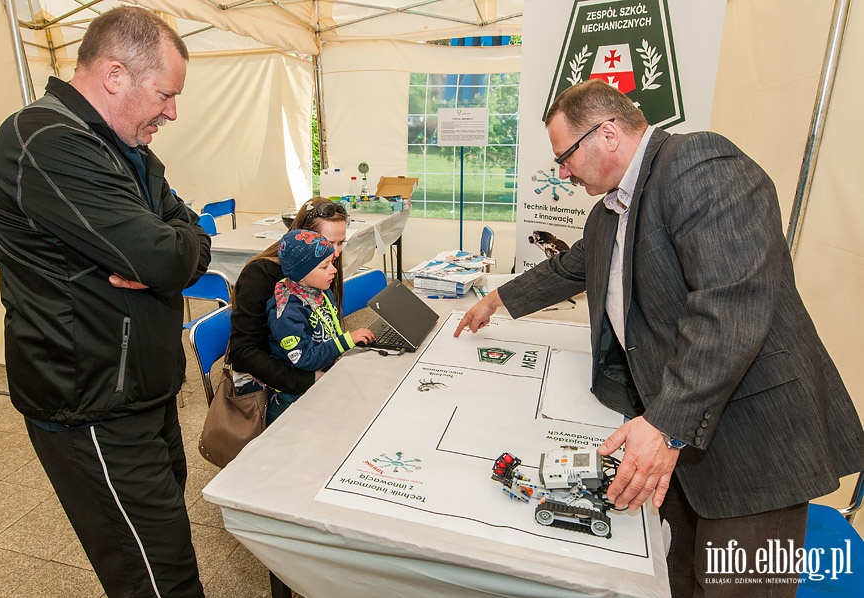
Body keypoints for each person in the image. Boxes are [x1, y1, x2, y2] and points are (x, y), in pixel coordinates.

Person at [455, 79, 864, 596]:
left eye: (565, 157)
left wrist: (667, 425)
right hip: (681, 431)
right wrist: (495, 301)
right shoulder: (610, 212)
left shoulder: (699, 164)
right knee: (677, 576)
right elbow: (570, 268)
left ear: (606, 135)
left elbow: (730, 304)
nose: (562, 172)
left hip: (751, 439)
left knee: (739, 588)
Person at [0, 7, 209, 597]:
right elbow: (164, 259)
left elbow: (190, 235)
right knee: (160, 576)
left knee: (164, 544)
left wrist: (170, 251)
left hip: (141, 390)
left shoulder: (122, 146)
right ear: (114, 75)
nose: (173, 111)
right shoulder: (47, 141)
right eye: (165, 94)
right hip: (94, 404)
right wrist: (165, 256)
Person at [228, 197, 349, 419]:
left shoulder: (322, 268)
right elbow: (243, 353)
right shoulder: (260, 276)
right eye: (329, 242)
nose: (336, 252)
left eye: (341, 243)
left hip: (304, 363)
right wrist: (307, 380)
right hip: (268, 381)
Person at [264, 230, 374, 422]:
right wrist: (347, 341)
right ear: (301, 273)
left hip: (325, 369)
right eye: (324, 267)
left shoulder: (320, 291)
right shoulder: (286, 313)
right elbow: (304, 359)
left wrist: (339, 353)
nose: (333, 270)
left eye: (331, 263)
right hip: (296, 393)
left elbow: (331, 328)